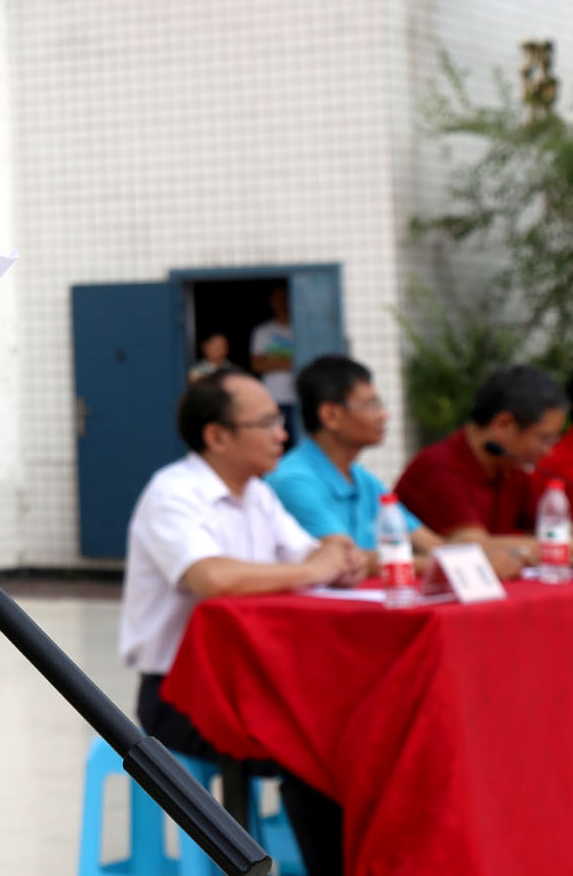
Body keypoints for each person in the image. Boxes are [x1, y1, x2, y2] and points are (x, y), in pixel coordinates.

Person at [120, 369, 362, 876]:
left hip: (254, 685)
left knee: (360, 731)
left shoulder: (259, 494)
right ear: (217, 435)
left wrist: (335, 554)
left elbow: (308, 554)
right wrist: (312, 566)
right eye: (268, 421)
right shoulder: (174, 493)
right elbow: (210, 577)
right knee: (315, 753)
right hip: (180, 696)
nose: (283, 434)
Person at [266, 355, 445, 562]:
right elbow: (346, 561)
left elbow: (433, 546)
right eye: (371, 405)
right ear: (331, 416)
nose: (384, 415)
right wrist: (430, 562)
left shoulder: (361, 478)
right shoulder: (293, 480)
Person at [393, 365, 566, 573]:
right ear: (503, 424)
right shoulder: (438, 467)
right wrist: (549, 548)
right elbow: (471, 547)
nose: (548, 452)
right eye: (544, 439)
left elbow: (544, 529)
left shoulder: (511, 467)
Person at [249, 284, 297, 431]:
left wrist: (273, 361)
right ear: (271, 302)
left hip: (299, 397)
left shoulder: (302, 327)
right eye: (277, 299)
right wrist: (293, 361)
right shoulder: (263, 331)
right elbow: (257, 364)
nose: (282, 302)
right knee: (277, 440)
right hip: (273, 398)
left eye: (284, 298)